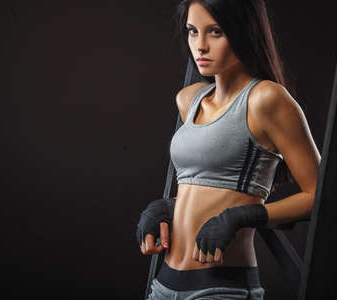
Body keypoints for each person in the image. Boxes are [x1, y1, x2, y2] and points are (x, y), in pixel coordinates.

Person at [136, 0, 321, 299]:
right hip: (164, 284)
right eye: (193, 32)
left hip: (221, 287)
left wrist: (242, 216)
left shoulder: (266, 99)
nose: (201, 46)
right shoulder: (189, 99)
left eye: (216, 32)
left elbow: (319, 195)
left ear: (243, 32)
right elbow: (207, 185)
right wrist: (166, 208)